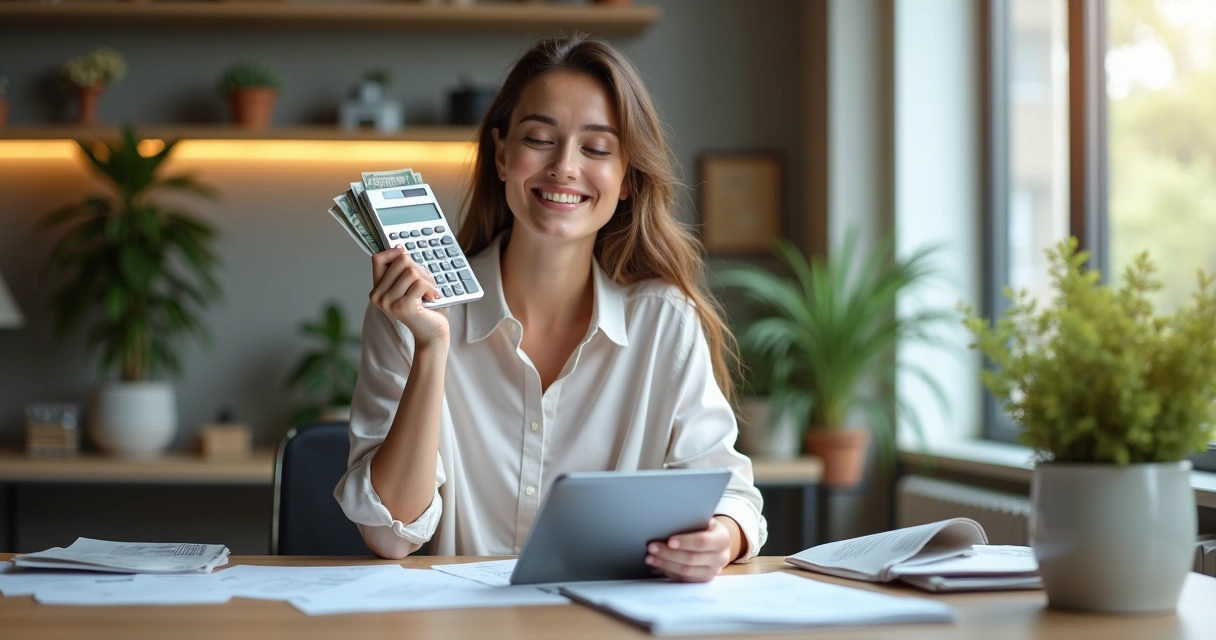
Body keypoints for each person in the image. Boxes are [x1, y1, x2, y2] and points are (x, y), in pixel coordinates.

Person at [335, 33, 767, 583]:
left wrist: (721, 537)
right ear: (501, 155)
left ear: (628, 179)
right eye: (539, 139)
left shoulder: (665, 321)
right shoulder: (411, 311)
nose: (564, 167)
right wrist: (431, 349)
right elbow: (390, 534)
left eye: (596, 148)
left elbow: (732, 494)